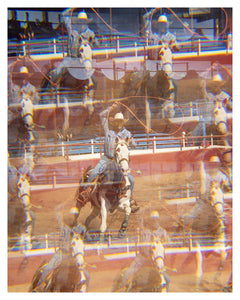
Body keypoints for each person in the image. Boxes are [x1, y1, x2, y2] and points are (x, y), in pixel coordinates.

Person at [78, 102, 140, 213]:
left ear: (123, 122)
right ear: (114, 122)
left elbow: (135, 144)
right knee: (93, 173)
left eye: (120, 121)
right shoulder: (109, 131)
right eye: (117, 121)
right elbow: (102, 115)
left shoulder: (127, 133)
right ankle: (86, 192)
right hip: (106, 159)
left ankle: (130, 199)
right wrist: (110, 109)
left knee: (131, 179)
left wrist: (131, 141)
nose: (119, 123)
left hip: (118, 163)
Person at [35, 207, 91, 291]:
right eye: (72, 216)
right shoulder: (65, 228)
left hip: (74, 257)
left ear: (77, 216)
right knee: (48, 268)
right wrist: (68, 245)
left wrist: (84, 236)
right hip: (62, 253)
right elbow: (61, 243)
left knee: (87, 276)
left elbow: (88, 239)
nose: (74, 217)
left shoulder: (81, 228)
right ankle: (39, 287)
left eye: (75, 215)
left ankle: (84, 291)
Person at [118, 210, 170, 291]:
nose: (154, 221)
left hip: (155, 260)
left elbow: (168, 244)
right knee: (129, 273)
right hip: (142, 257)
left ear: (158, 220)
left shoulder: (163, 232)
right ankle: (122, 288)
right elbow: (139, 222)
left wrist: (161, 243)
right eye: (152, 220)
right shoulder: (145, 231)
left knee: (167, 279)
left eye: (156, 219)